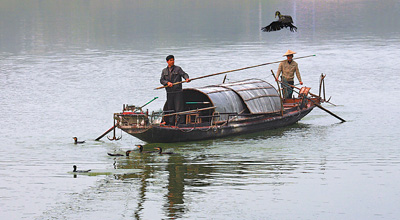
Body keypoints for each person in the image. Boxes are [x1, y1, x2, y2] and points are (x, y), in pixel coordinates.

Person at [160, 55, 190, 125]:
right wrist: (167, 83)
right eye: (170, 60)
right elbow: (161, 80)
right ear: (167, 62)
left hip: (178, 92)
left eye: (173, 60)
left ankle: (181, 123)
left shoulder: (178, 69)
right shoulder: (164, 71)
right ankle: (171, 123)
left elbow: (184, 74)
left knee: (179, 108)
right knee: (170, 108)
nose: (172, 61)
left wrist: (187, 78)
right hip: (169, 92)